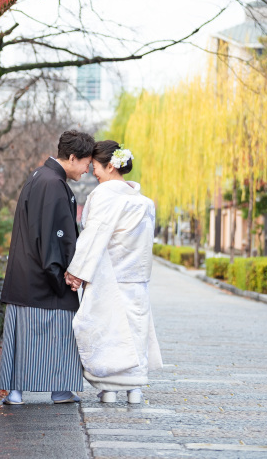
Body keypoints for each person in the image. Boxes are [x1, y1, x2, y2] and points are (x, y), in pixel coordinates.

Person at [0, 130, 95, 405]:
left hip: (26, 272)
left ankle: (17, 390)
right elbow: (53, 236)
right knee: (60, 332)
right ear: (73, 157)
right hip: (42, 272)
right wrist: (61, 275)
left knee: (25, 337)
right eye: (86, 163)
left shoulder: (41, 176)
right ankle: (59, 389)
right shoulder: (53, 183)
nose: (87, 170)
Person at [66, 140, 163, 404]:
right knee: (135, 330)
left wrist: (77, 272)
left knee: (108, 330)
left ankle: (109, 388)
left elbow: (94, 236)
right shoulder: (144, 202)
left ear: (110, 166)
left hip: (109, 276)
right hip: (137, 279)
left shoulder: (104, 195)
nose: (93, 173)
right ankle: (135, 389)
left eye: (95, 167)